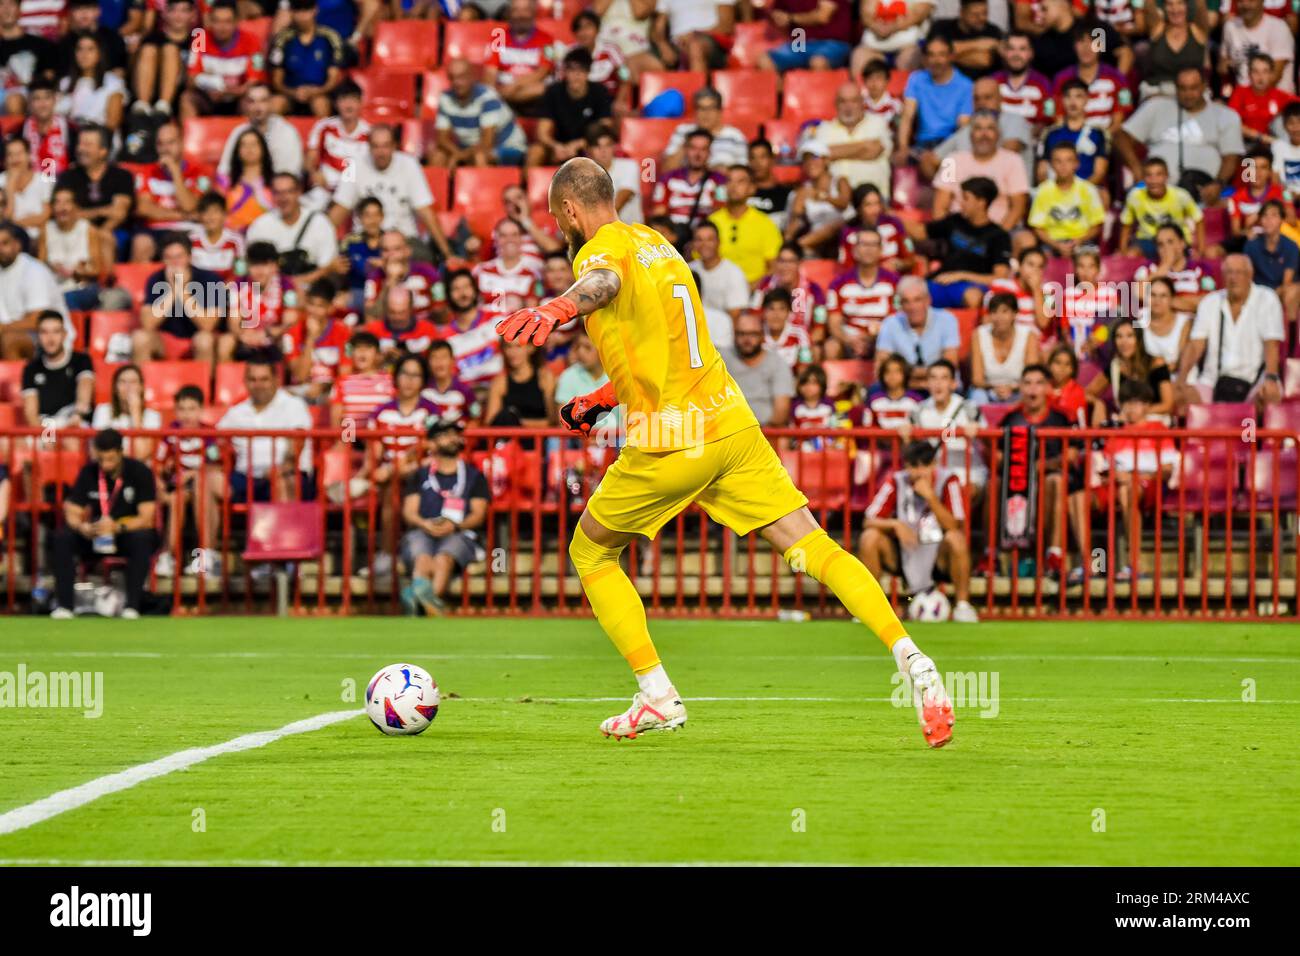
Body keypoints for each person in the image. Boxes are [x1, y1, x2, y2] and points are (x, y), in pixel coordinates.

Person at [494, 156, 954, 745]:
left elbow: (601, 284)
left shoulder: (598, 250)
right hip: (730, 423)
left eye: (559, 217)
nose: (560, 228)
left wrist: (557, 307)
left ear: (570, 209)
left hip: (672, 440)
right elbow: (670, 346)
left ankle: (657, 693)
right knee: (812, 543)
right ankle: (912, 657)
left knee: (591, 552)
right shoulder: (659, 243)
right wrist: (604, 398)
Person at [860, 440, 979, 623]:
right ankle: (870, 609)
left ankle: (963, 606)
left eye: (925, 465)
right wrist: (895, 525)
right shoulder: (897, 480)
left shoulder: (949, 480)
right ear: (906, 466)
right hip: (905, 552)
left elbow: (954, 526)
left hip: (939, 556)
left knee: (956, 539)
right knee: (870, 537)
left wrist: (930, 496)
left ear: (934, 464)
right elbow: (869, 520)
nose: (920, 472)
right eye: (914, 467)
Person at [51, 429, 157, 620]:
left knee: (143, 539)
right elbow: (72, 510)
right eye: (101, 459)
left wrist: (117, 527)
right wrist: (82, 527)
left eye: (110, 459)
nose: (105, 465)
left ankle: (132, 606)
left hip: (125, 533)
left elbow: (146, 517)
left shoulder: (140, 472)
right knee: (62, 538)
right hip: (95, 534)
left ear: (120, 452)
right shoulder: (89, 472)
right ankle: (65, 606)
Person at [399, 416, 490, 616]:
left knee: (443, 559)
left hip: (460, 532)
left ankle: (419, 601)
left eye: (454, 434)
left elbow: (478, 514)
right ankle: (429, 603)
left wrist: (455, 526)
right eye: (444, 434)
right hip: (423, 530)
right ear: (431, 443)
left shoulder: (475, 475)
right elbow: (409, 511)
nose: (451, 438)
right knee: (422, 558)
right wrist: (425, 524)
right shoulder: (420, 474)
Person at [1116, 66, 1244, 207]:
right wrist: (1136, 168)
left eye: (1193, 88)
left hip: (1204, 190)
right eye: (1183, 88)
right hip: (1157, 188)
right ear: (1175, 88)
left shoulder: (1226, 115)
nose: (1188, 94)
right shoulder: (1155, 107)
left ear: (1204, 87)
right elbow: (1121, 136)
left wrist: (1218, 184)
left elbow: (1231, 158)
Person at [1175, 253, 1284, 407]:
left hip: (1253, 380)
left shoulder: (1267, 299)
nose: (1234, 278)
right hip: (1212, 381)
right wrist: (1181, 379)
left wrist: (1271, 378)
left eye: (1239, 272)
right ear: (1223, 276)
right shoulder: (1210, 302)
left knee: (1270, 394)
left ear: (1250, 275)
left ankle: (1253, 430)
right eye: (1229, 272)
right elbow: (1195, 345)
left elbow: (1272, 344)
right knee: (1182, 397)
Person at [213, 357, 316, 514]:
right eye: (253, 380)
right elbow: (214, 443)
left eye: (264, 379)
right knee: (205, 482)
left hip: (286, 474)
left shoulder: (293, 405)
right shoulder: (237, 411)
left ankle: (283, 539)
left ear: (276, 380)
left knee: (282, 483)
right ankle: (205, 540)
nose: (258, 385)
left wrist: (281, 469)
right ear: (245, 382)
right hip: (245, 478)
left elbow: (296, 446)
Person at [154, 384, 220, 578]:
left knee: (201, 485)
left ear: (201, 410)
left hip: (202, 488)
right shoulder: (168, 436)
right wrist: (161, 487)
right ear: (175, 411)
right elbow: (158, 466)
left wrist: (192, 474)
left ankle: (204, 558)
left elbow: (215, 466)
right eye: (181, 409)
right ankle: (168, 557)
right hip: (176, 488)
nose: (186, 415)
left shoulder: (210, 435)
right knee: (177, 498)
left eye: (192, 409)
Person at [134, 233, 228, 364]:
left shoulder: (211, 279)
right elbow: (148, 324)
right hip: (165, 340)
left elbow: (208, 325)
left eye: (179, 257)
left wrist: (182, 289)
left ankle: (202, 384)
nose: (175, 263)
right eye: (169, 258)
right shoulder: (155, 279)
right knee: (140, 337)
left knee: (205, 340)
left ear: (189, 257)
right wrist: (173, 289)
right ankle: (141, 383)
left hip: (197, 339)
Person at [430, 58, 528, 170]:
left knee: (480, 157)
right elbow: (442, 139)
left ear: (472, 76)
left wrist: (459, 156)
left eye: (461, 77)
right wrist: (458, 154)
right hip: (469, 148)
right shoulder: (445, 98)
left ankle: (486, 187)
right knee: (437, 156)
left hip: (507, 146)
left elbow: (487, 142)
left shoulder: (487, 97)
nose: (456, 82)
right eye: (452, 77)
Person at [247, 172, 337, 286]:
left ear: (299, 192)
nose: (283, 198)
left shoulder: (320, 222)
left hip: (313, 292)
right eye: (278, 193)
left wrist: (294, 283)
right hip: (272, 293)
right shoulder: (260, 225)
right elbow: (253, 270)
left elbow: (328, 267)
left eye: (288, 192)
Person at [528, 47, 612, 168]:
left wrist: (578, 144)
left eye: (581, 70)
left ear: (588, 73)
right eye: (572, 70)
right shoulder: (553, 92)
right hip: (557, 148)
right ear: (565, 72)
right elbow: (542, 133)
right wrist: (556, 146)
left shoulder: (599, 92)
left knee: (601, 150)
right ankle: (526, 186)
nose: (576, 75)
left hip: (587, 147)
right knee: (535, 151)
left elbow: (605, 128)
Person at [875, 276, 962, 389]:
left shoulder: (947, 319)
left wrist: (906, 373)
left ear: (928, 300)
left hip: (940, 387)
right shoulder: (890, 323)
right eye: (906, 301)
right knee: (876, 390)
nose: (912, 307)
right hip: (902, 388)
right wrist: (917, 382)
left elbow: (949, 365)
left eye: (917, 300)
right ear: (900, 304)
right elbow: (881, 367)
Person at [810, 81, 892, 198]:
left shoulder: (878, 123)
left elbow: (874, 150)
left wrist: (833, 152)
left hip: (873, 202)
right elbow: (818, 159)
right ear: (836, 104)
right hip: (836, 202)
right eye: (843, 101)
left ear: (862, 103)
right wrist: (864, 147)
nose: (848, 107)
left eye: (854, 101)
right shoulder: (824, 129)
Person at [827, 226, 900, 358]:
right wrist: (848, 339)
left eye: (873, 244)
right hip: (849, 341)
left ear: (881, 250)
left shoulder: (895, 283)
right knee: (831, 347)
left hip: (882, 339)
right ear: (854, 250)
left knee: (889, 346)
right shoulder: (838, 284)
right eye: (864, 244)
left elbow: (898, 319)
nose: (868, 249)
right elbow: (834, 324)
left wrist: (875, 338)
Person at [0, 220, 69, 359]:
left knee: (10, 340)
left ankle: (15, 380)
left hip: (48, 338)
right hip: (10, 331)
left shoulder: (34, 271)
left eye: (5, 243)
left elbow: (36, 321)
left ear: (17, 245)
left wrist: (2, 328)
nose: (0, 248)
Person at [708, 164, 783, 286]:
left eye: (740, 182)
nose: (733, 186)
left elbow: (774, 267)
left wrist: (751, 288)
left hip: (753, 293)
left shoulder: (765, 224)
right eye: (729, 181)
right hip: (715, 291)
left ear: (752, 188)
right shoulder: (712, 222)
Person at [1027, 141, 1105, 257]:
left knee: (1087, 261)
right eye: (1058, 161)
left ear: (1077, 163)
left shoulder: (1088, 190)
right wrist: (1057, 245)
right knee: (1038, 259)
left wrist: (1079, 240)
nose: (1063, 166)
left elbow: (1096, 225)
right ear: (1051, 164)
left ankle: (1070, 276)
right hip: (1052, 243)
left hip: (1082, 241)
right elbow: (1038, 227)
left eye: (1069, 160)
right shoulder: (1043, 190)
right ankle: (1063, 276)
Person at [268, 0, 345, 117]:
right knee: (275, 104)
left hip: (321, 93)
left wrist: (315, 91)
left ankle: (323, 134)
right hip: (290, 94)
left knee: (320, 103)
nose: (302, 16)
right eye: (297, 11)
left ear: (315, 10)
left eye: (306, 10)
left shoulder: (330, 37)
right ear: (291, 13)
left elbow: (333, 79)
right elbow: (277, 81)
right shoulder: (282, 39)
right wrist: (294, 92)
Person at [1117, 156, 1203, 259]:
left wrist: (1201, 251)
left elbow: (1199, 219)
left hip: (1175, 240)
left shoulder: (1181, 195)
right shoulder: (1135, 196)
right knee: (1131, 256)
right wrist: (1123, 251)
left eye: (1159, 175)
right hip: (1147, 240)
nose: (1154, 180)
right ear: (1143, 178)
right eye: (1149, 175)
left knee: (1175, 256)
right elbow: (1126, 224)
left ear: (1166, 176)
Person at [20, 309, 92, 427]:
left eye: (56, 331)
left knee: (71, 441)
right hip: (45, 424)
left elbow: (85, 390)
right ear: (38, 336)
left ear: (64, 334)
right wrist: (45, 435)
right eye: (44, 332)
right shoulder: (31, 368)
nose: (50, 338)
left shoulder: (81, 360)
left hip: (72, 420)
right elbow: (31, 413)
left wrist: (77, 415)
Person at [721, 311, 794, 426]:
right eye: (742, 334)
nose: (747, 340)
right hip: (727, 430)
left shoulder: (777, 363)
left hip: (766, 432)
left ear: (762, 336)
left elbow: (781, 411)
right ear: (734, 335)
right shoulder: (721, 360)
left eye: (753, 334)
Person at [969, 292, 1039, 404]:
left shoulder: (1028, 335)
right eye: (994, 312)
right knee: (978, 396)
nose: (999, 317)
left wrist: (1012, 388)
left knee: (1029, 393)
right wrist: (995, 388)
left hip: (1018, 390)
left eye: (1004, 311)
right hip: (988, 389)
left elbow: (1032, 376)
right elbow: (977, 379)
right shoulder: (979, 334)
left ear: (1014, 314)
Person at [91, 363, 162, 460]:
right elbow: (96, 452)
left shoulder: (153, 416)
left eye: (133, 382)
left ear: (141, 387)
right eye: (123, 382)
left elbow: (141, 453)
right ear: (115, 388)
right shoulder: (103, 410)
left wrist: (135, 413)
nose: (128, 387)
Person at [484, 339, 556, 427]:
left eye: (518, 346)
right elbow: (490, 421)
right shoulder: (500, 382)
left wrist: (519, 423)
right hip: (508, 438)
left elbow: (553, 421)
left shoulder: (545, 377)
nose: (513, 352)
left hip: (538, 438)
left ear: (531, 348)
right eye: (508, 347)